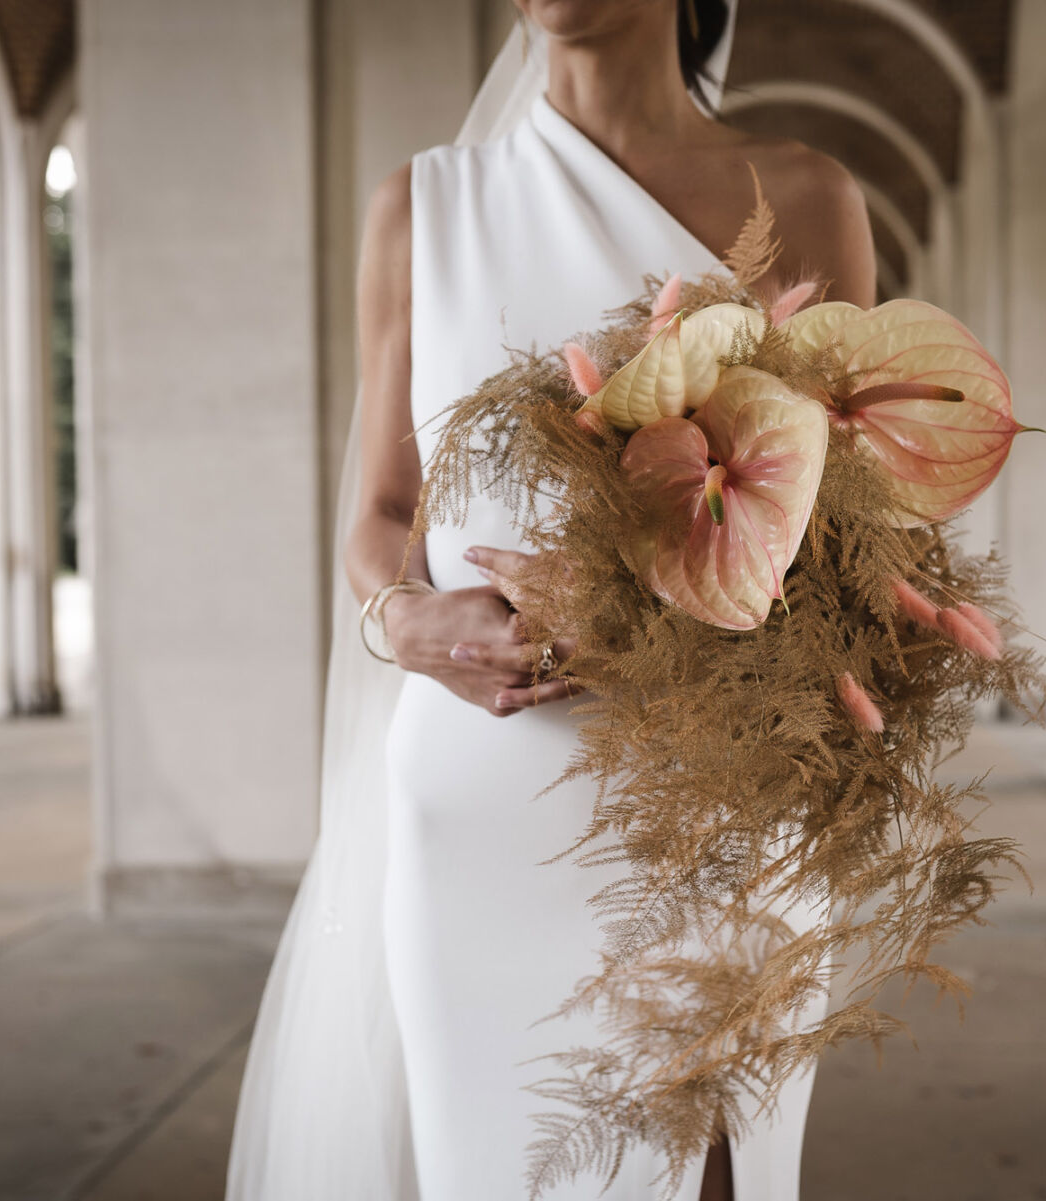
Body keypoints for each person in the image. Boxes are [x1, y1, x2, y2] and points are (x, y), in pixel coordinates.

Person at [228, 2, 876, 1198]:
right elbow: (379, 515)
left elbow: (839, 553)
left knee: (715, 1169)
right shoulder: (418, 209)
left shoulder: (808, 198)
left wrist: (654, 614)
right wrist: (407, 620)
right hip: (477, 797)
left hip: (711, 795)